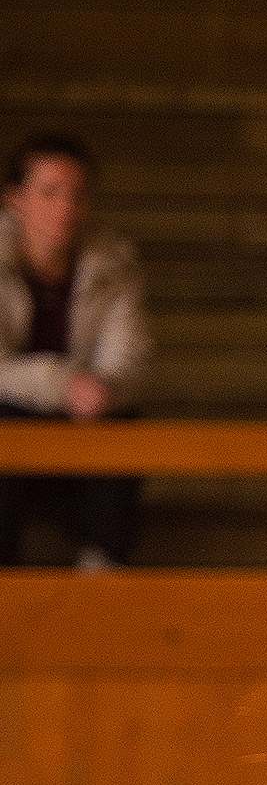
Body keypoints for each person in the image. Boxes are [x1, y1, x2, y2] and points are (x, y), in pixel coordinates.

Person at [0, 133, 146, 569]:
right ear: (15, 200)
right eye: (49, 193)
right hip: (13, 422)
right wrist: (64, 385)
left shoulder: (114, 262)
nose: (65, 208)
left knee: (123, 427)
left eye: (77, 195)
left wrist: (103, 390)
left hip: (81, 425)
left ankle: (100, 579)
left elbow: (131, 358)